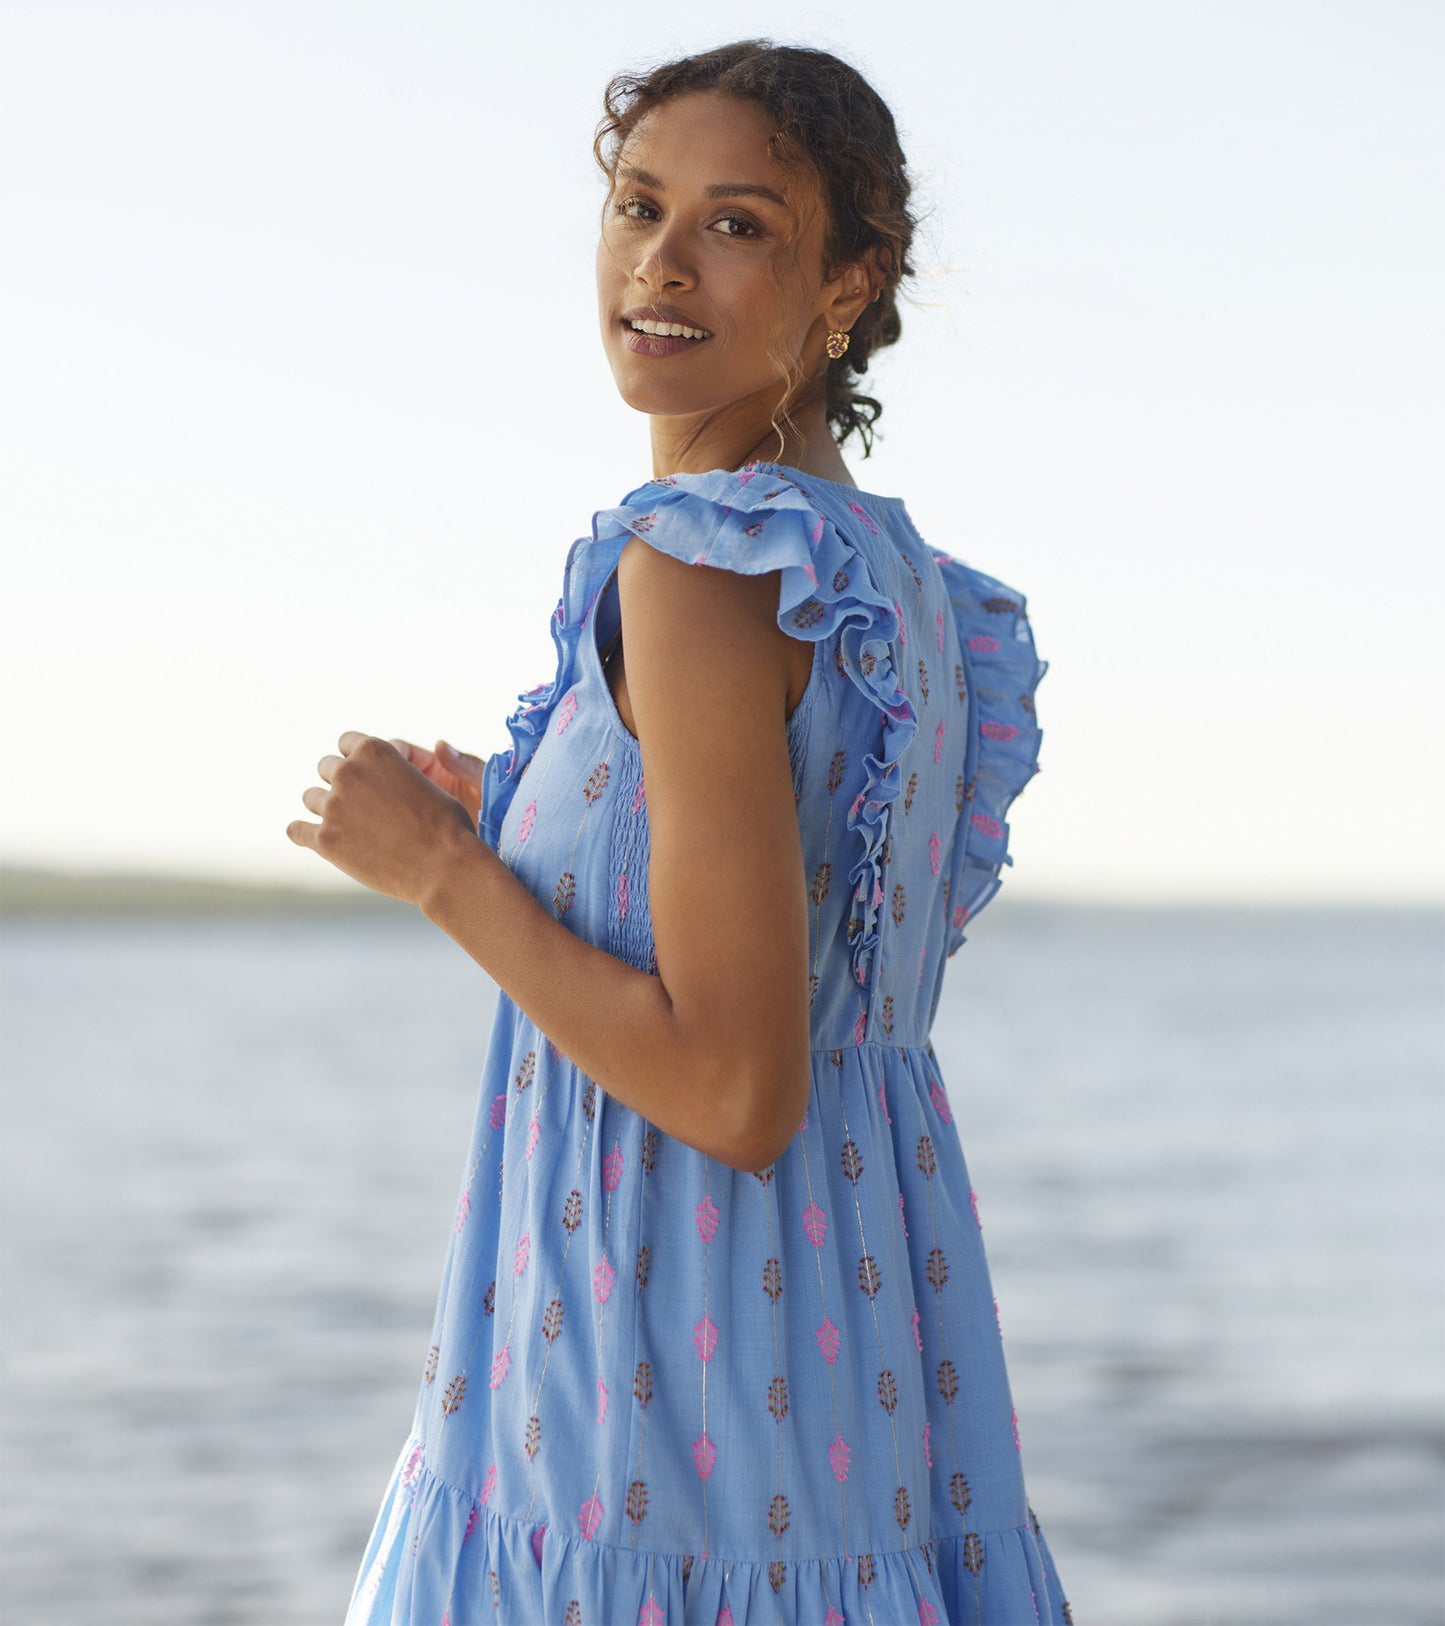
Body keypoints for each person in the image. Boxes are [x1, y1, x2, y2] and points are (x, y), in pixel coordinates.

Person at [288, 38, 1073, 1626]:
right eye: (637, 207)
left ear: (846, 287)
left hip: (653, 1369)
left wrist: (440, 873)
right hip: (845, 1357)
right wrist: (519, 834)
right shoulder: (895, 585)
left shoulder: (697, 567)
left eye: (735, 224)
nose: (659, 260)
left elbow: (732, 1081)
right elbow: (794, 947)